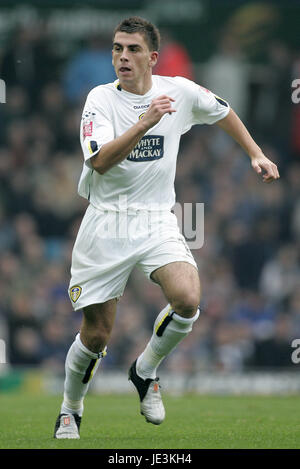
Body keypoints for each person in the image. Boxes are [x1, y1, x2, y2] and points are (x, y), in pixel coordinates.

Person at [54, 16, 279, 439]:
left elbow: (223, 110)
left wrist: (256, 153)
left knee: (188, 298)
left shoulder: (178, 90)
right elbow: (99, 161)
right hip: (107, 219)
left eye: (133, 49)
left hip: (156, 218)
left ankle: (145, 370)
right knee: (97, 334)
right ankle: (71, 408)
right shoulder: (100, 100)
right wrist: (144, 123)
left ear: (152, 57)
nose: (123, 56)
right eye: (118, 48)